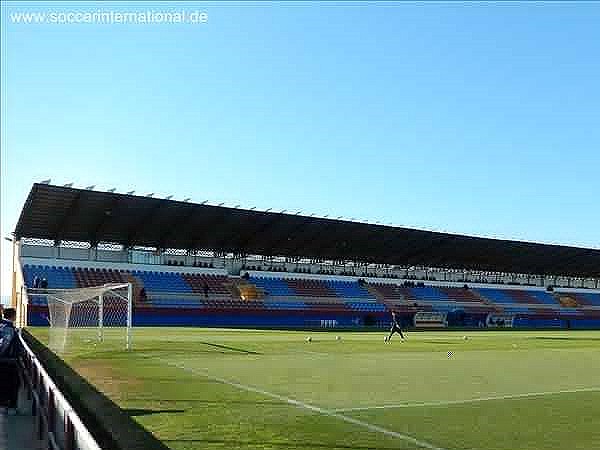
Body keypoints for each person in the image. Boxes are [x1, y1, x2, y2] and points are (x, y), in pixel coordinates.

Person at [0, 307, 20, 412]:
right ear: (13, 316)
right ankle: (11, 407)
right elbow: (4, 344)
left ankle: (4, 405)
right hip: (8, 361)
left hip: (5, 360)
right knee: (13, 383)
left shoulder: (3, 326)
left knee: (4, 383)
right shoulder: (8, 328)